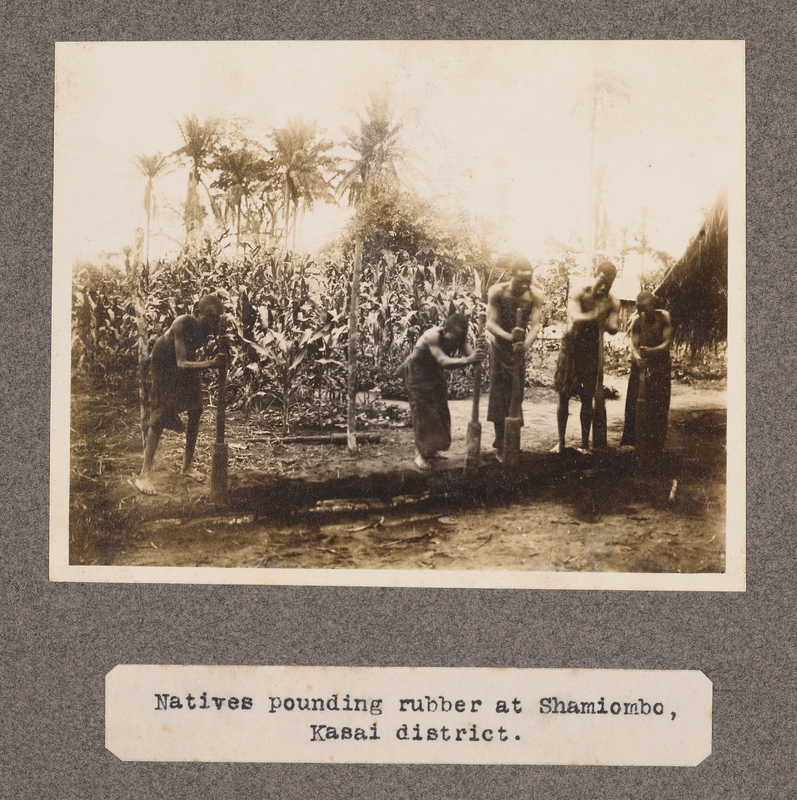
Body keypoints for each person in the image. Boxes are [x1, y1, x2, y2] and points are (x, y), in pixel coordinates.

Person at [135, 294, 227, 495]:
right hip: (165, 363)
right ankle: (144, 475)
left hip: (185, 362)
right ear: (196, 313)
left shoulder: (211, 328)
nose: (211, 324)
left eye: (215, 320)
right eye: (208, 318)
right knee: (159, 417)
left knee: (196, 410)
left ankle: (187, 467)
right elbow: (181, 363)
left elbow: (188, 359)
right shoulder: (182, 322)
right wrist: (212, 363)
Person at [398, 312, 486, 471]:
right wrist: (469, 360)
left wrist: (478, 352)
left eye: (459, 337)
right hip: (417, 373)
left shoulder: (460, 337)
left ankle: (431, 450)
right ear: (445, 330)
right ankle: (420, 453)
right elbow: (443, 361)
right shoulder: (432, 336)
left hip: (435, 374)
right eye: (453, 337)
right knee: (423, 412)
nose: (455, 341)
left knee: (440, 411)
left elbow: (472, 357)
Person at [552, 260, 621, 453]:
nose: (604, 286)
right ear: (595, 274)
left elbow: (614, 328)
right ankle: (561, 442)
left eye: (609, 283)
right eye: (602, 280)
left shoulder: (613, 301)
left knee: (587, 397)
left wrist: (609, 323)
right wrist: (596, 314)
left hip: (591, 350)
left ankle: (584, 444)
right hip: (571, 346)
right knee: (564, 395)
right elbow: (576, 318)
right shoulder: (579, 292)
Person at [486, 257, 544, 461]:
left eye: (528, 279)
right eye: (521, 280)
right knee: (499, 394)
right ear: (512, 276)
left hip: (519, 350)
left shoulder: (535, 295)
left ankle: (512, 440)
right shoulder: (497, 292)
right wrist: (509, 337)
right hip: (500, 346)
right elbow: (490, 324)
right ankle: (501, 442)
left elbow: (535, 325)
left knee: (516, 393)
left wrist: (524, 345)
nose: (525, 284)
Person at [620, 291, 673, 455]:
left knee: (659, 403)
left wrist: (652, 351)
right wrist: (637, 358)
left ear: (653, 305)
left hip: (660, 365)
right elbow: (634, 345)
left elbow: (667, 343)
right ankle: (634, 442)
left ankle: (657, 444)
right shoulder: (637, 320)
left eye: (646, 308)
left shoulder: (664, 317)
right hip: (641, 365)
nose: (643, 312)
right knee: (634, 402)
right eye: (640, 309)